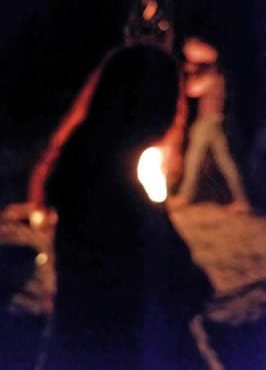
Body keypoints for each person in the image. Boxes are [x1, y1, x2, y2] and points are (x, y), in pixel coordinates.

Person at [46, 43, 213, 370]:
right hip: (126, 347)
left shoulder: (84, 158)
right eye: (169, 99)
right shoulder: (111, 184)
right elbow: (164, 281)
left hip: (83, 340)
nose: (173, 114)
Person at [174, 37, 252, 213]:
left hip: (208, 121)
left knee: (193, 158)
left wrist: (190, 73)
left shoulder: (213, 77)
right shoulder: (217, 76)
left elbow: (191, 90)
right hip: (214, 121)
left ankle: (185, 196)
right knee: (225, 162)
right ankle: (242, 200)